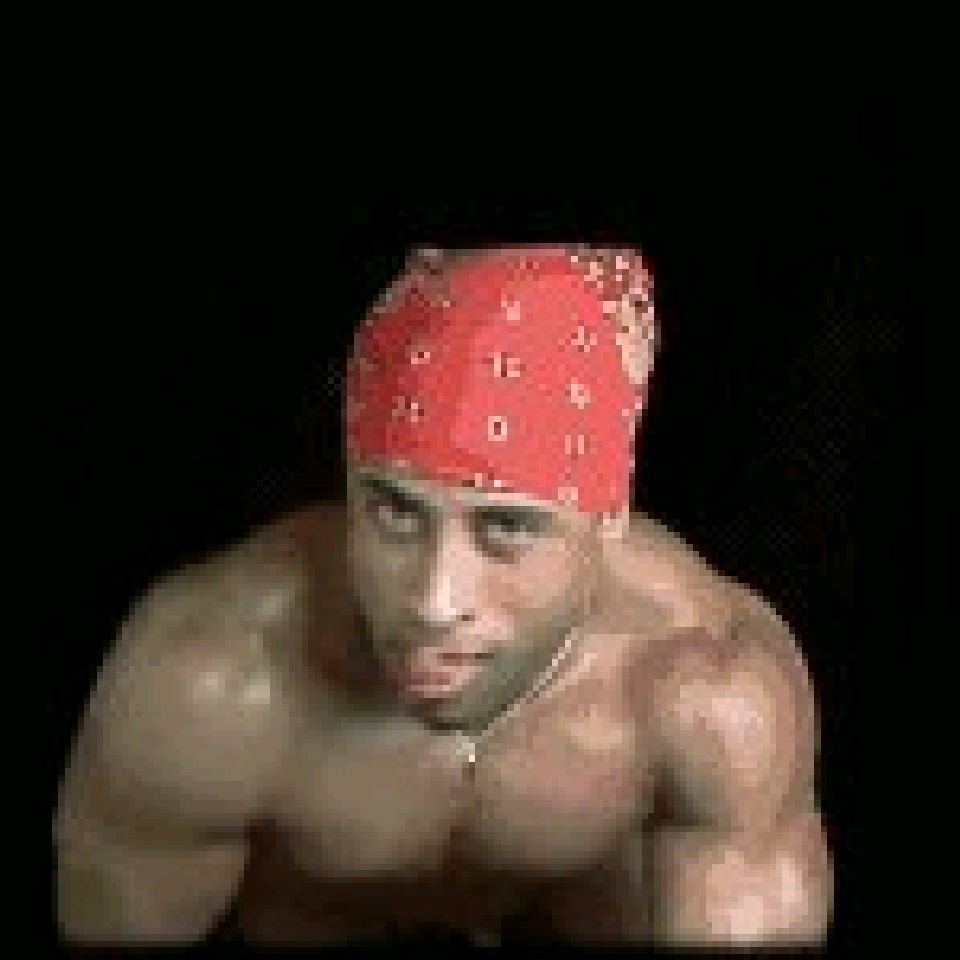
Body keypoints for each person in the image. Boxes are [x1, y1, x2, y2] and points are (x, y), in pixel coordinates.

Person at [54, 245, 833, 946]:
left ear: (606, 524)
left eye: (506, 529)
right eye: (396, 513)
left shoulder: (708, 691)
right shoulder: (214, 680)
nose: (434, 601)